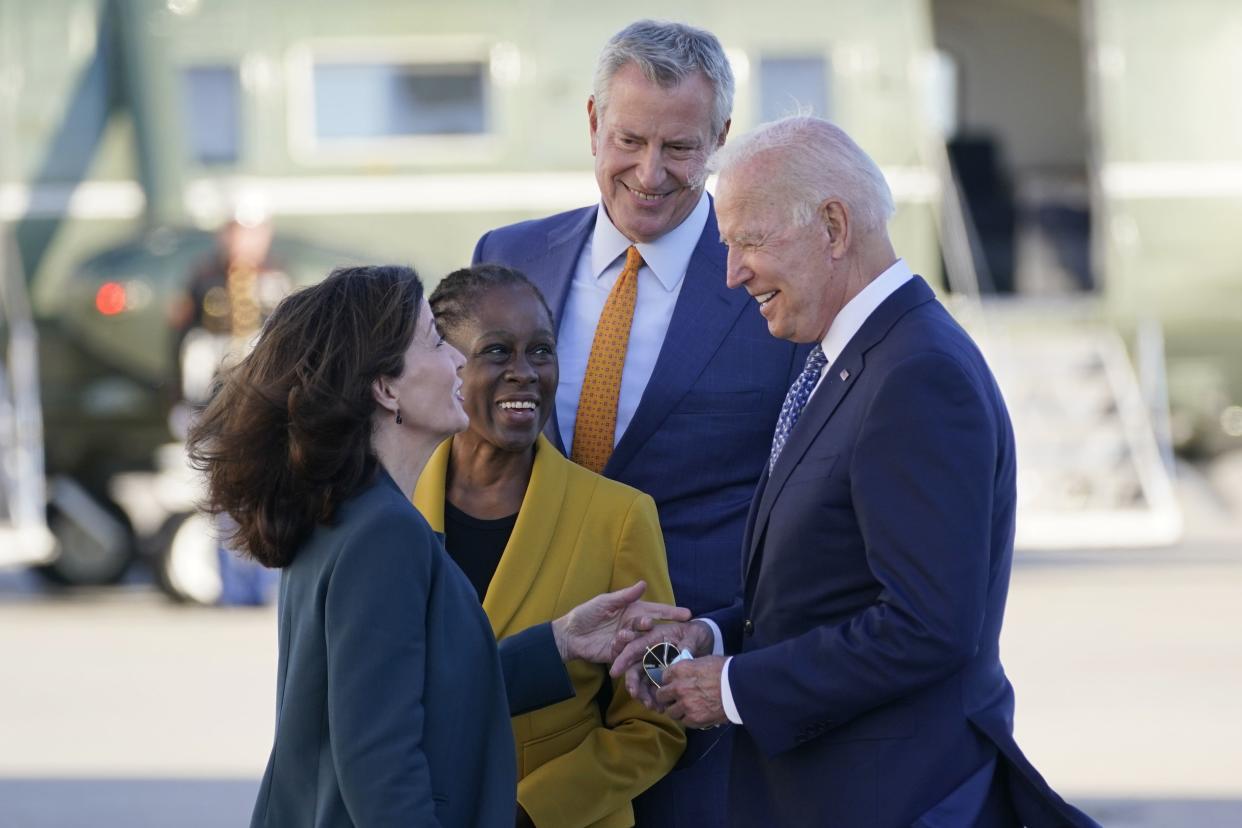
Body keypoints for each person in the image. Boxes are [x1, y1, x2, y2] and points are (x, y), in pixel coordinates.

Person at [611, 117, 1100, 827]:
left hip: (895, 800)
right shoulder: (853, 355)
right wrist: (710, 641)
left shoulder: (918, 373)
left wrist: (738, 688)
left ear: (834, 227)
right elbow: (827, 594)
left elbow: (927, 626)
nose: (733, 273)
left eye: (749, 241)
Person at [186, 264, 690, 828]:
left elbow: (421, 692)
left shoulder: (345, 510)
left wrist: (561, 641)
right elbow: (380, 763)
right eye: (434, 342)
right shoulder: (384, 532)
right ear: (385, 386)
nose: (455, 360)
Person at [472, 20, 806, 824]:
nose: (650, 174)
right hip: (531, 694)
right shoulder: (507, 256)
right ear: (591, 122)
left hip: (694, 704)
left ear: (721, 138)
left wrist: (727, 647)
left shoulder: (776, 281)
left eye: (682, 149)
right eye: (628, 140)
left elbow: (804, 501)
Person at [413, 264, 684, 828]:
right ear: (448, 366)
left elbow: (658, 722)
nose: (525, 373)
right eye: (496, 352)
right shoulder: (391, 508)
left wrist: (526, 812)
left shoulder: (621, 517)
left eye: (541, 351)